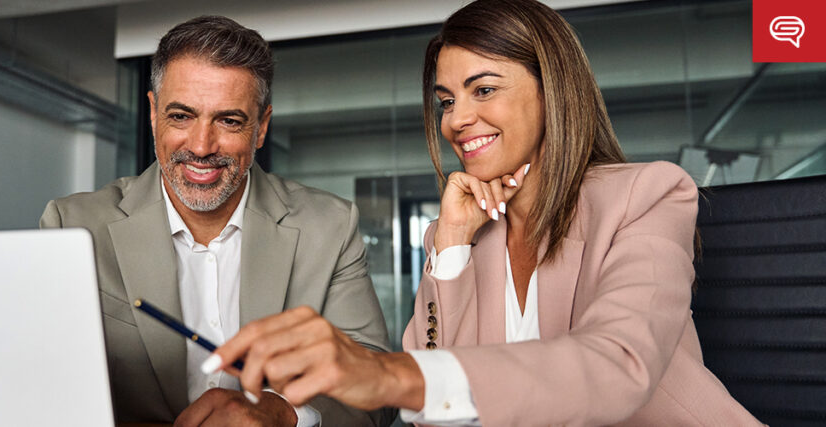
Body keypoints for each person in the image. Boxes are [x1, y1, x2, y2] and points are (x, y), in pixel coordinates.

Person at [202, 1, 764, 425]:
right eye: (447, 101)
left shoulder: (647, 197)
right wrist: (449, 248)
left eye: (483, 89)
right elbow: (428, 407)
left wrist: (388, 374)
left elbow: (618, 364)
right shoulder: (468, 234)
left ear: (553, 91)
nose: (456, 120)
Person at [40, 16, 394, 427]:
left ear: (261, 126)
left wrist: (285, 413)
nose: (201, 146)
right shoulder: (72, 227)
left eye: (228, 120)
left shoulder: (330, 227)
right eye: (181, 116)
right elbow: (42, 385)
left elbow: (378, 391)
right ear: (154, 112)